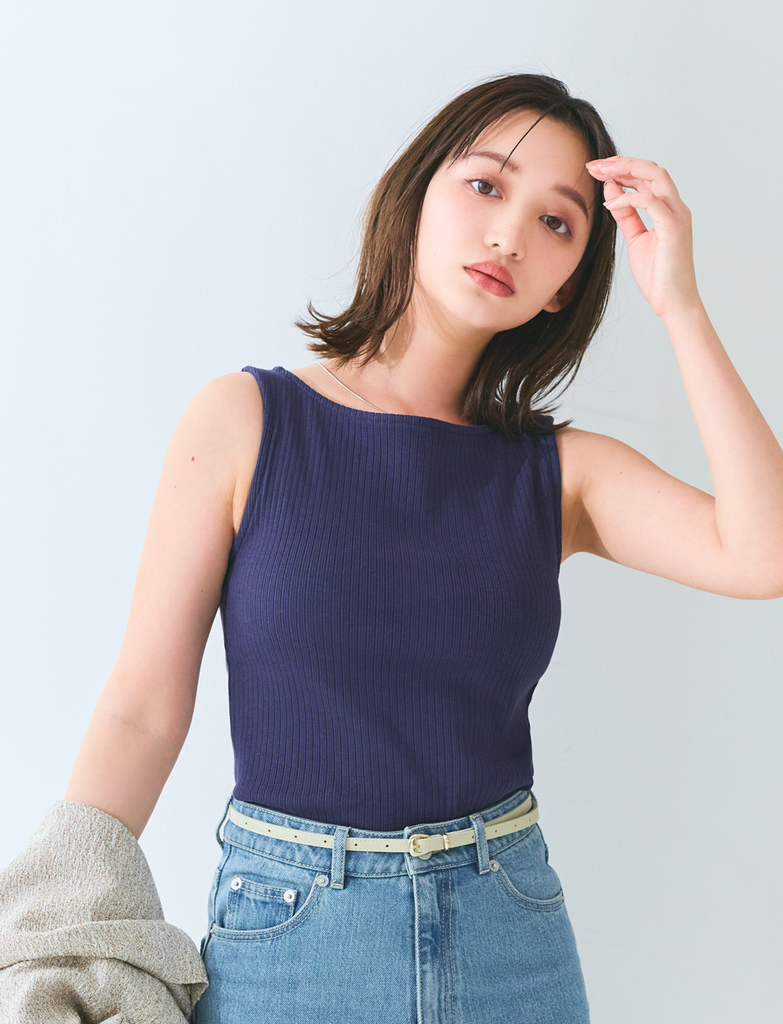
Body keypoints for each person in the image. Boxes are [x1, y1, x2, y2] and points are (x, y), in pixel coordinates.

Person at [61, 73, 783, 1023]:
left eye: (556, 222)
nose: (509, 235)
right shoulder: (246, 421)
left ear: (566, 288)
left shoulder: (561, 475)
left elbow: (761, 553)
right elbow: (143, 710)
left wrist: (678, 306)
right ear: (414, 195)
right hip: (291, 939)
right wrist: (58, 932)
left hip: (507, 935)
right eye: (485, 185)